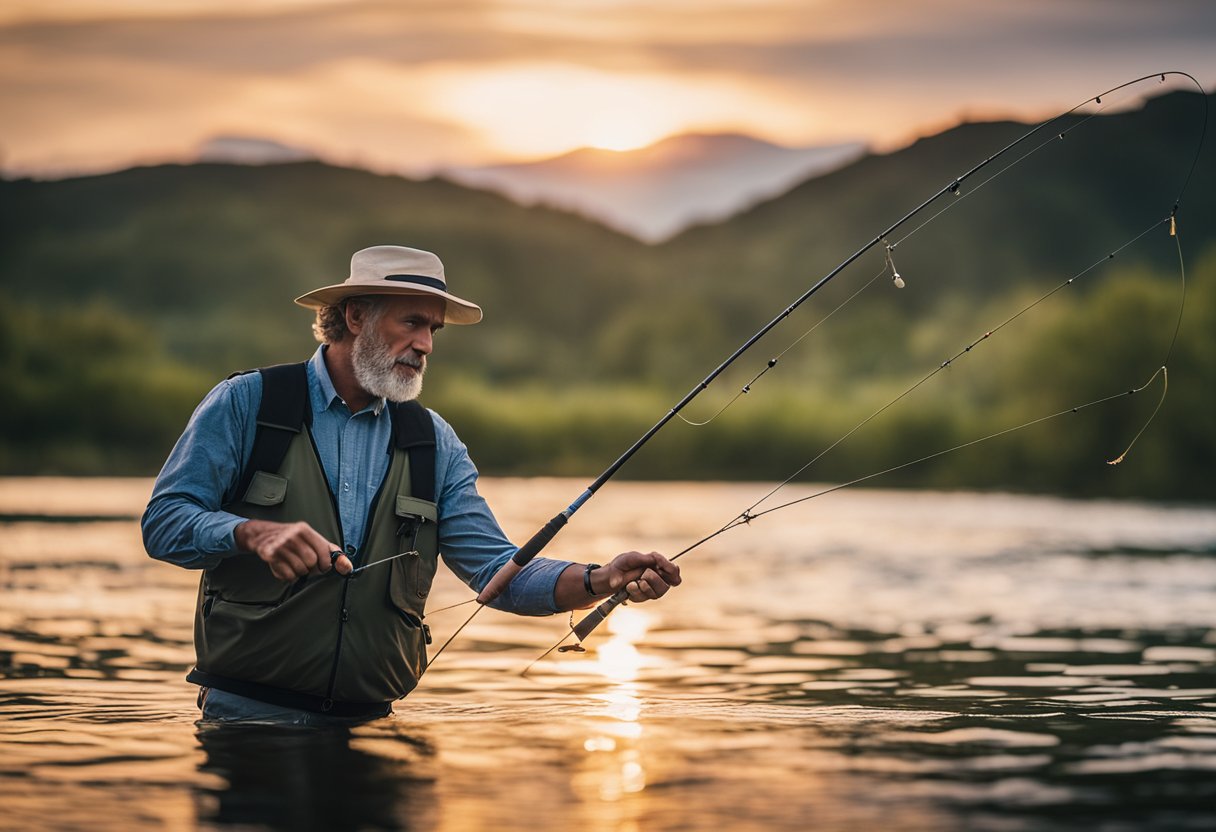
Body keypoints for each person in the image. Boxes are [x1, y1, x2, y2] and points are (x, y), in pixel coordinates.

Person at [143, 245, 680, 725]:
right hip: (246, 723)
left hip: (373, 729)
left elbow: (500, 574)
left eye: (433, 331)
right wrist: (251, 533)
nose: (425, 344)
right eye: (413, 323)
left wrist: (601, 578)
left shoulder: (433, 441)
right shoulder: (247, 403)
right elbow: (164, 523)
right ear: (355, 315)